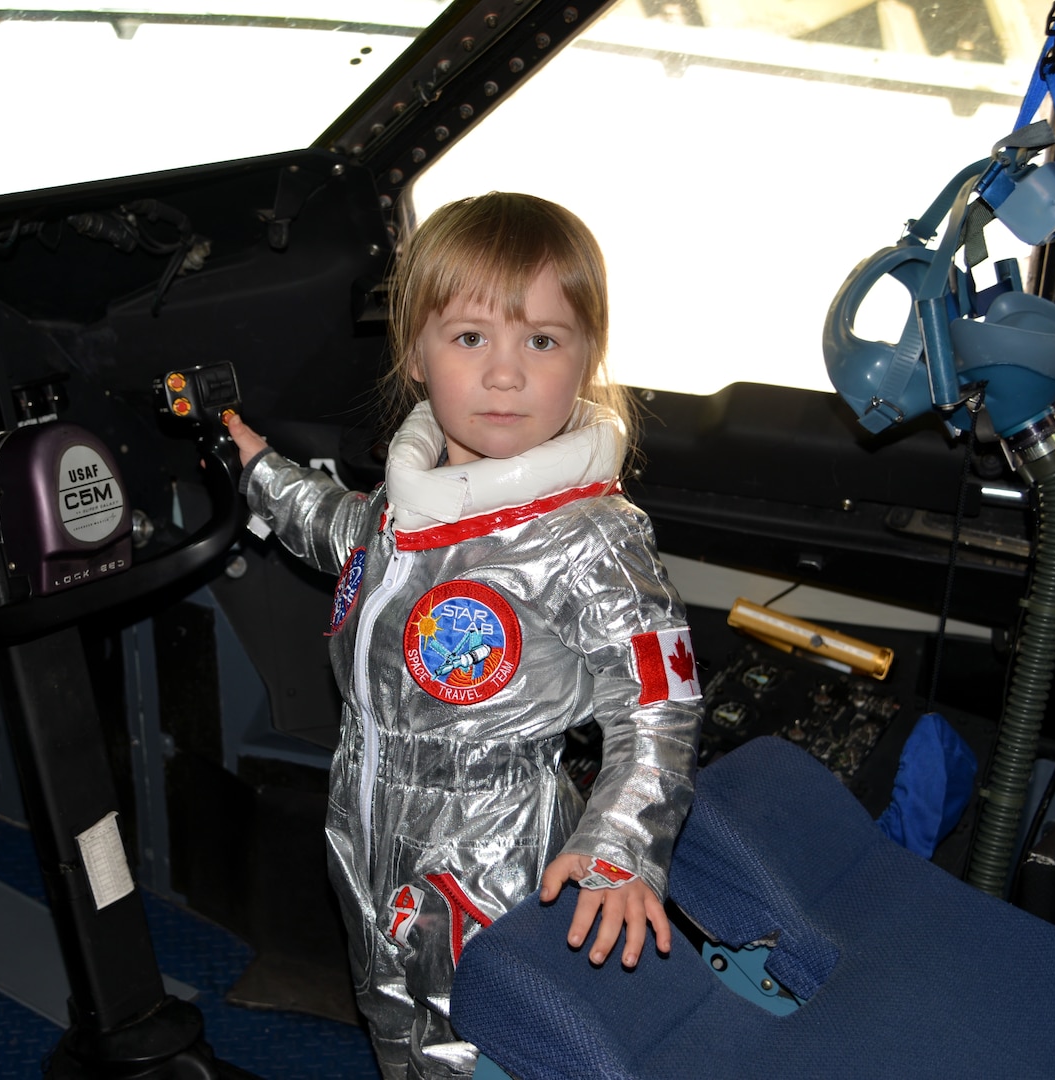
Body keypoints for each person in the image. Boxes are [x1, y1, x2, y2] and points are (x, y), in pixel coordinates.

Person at [224, 192, 701, 1080]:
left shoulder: (586, 534)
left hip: (496, 841)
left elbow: (658, 705)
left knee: (480, 1043)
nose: (506, 374)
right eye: (471, 337)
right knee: (389, 1008)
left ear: (588, 357)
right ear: (415, 353)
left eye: (543, 341)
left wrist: (619, 847)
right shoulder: (410, 501)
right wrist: (259, 471)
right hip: (365, 812)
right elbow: (340, 529)